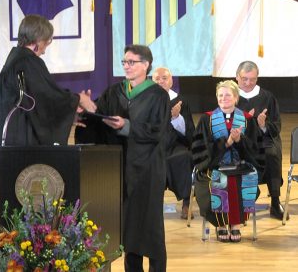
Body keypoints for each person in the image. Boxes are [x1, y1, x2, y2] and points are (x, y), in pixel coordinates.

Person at [76, 44, 169, 271]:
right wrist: (84, 114)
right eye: (124, 62)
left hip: (147, 171)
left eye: (131, 62)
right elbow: (99, 119)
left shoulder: (158, 95)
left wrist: (127, 126)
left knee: (151, 230)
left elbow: (158, 131)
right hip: (122, 170)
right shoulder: (115, 91)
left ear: (146, 65)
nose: (126, 66)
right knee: (129, 231)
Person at [0, 14, 96, 146]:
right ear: (38, 40)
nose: (44, 51)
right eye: (46, 43)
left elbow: (34, 102)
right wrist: (79, 99)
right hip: (15, 138)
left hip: (0, 133)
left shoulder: (15, 58)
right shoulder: (28, 61)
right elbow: (47, 96)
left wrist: (68, 113)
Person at [192, 80, 264, 242]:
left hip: (241, 167)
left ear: (236, 97)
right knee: (220, 178)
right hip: (213, 167)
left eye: (228, 95)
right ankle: (221, 225)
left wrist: (240, 140)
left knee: (244, 178)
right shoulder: (207, 120)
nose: (224, 98)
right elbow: (199, 151)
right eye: (220, 95)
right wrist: (227, 142)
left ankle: (236, 224)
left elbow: (256, 150)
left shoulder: (247, 119)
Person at [235, 60, 287, 220]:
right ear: (237, 77)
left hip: (263, 140)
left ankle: (275, 201)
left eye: (252, 79)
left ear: (257, 78)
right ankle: (239, 201)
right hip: (239, 140)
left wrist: (263, 125)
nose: (248, 83)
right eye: (244, 79)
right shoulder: (230, 96)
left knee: (272, 154)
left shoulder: (267, 97)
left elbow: (276, 126)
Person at [152, 67, 195, 220]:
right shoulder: (147, 100)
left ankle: (186, 202)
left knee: (184, 157)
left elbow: (189, 133)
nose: (160, 81)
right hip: (154, 146)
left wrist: (176, 118)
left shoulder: (180, 101)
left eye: (164, 78)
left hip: (176, 145)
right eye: (157, 78)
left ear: (171, 81)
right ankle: (151, 204)